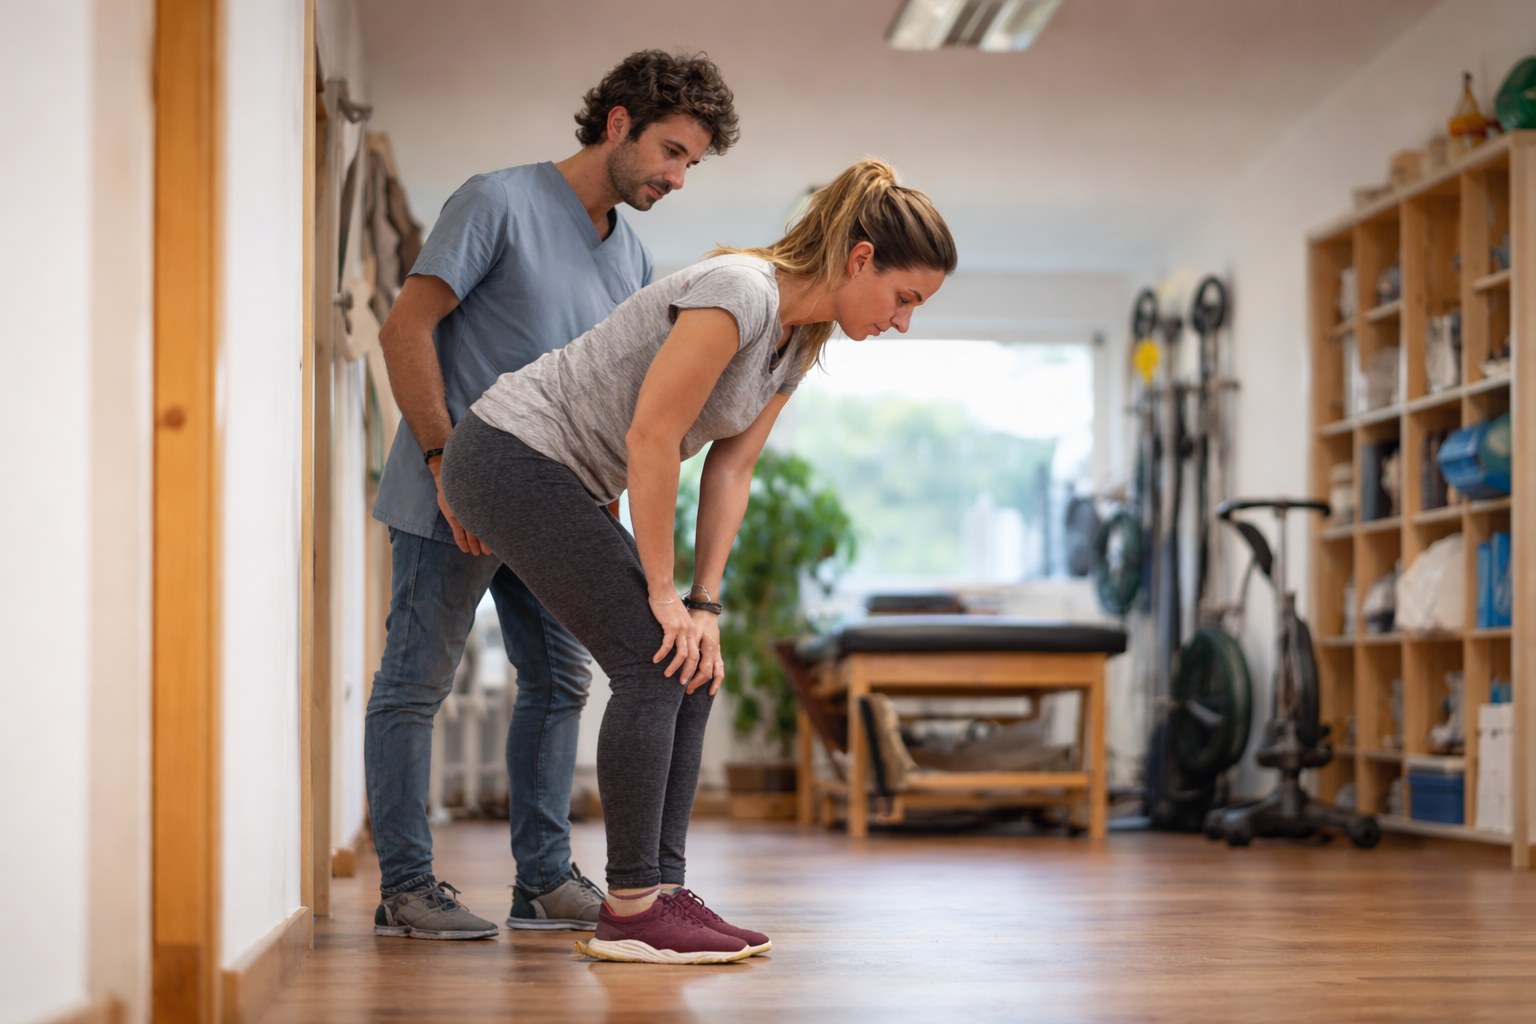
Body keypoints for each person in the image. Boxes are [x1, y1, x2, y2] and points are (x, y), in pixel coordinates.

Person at [439, 159, 957, 963]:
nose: (902, 323)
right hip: (510, 452)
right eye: (904, 299)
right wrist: (661, 592)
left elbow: (730, 469)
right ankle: (633, 909)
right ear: (861, 259)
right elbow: (653, 437)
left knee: (693, 662)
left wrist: (704, 605)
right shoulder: (739, 291)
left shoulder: (799, 340)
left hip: (560, 474)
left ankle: (663, 893)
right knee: (652, 658)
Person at [367, 50, 739, 942]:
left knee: (563, 679)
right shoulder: (495, 200)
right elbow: (404, 328)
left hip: (556, 502)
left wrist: (605, 496)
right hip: (452, 487)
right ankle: (407, 887)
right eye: (672, 152)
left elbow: (608, 394)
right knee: (418, 683)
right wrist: (439, 458)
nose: (678, 177)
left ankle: (541, 881)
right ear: (618, 122)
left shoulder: (633, 256)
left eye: (692, 162)